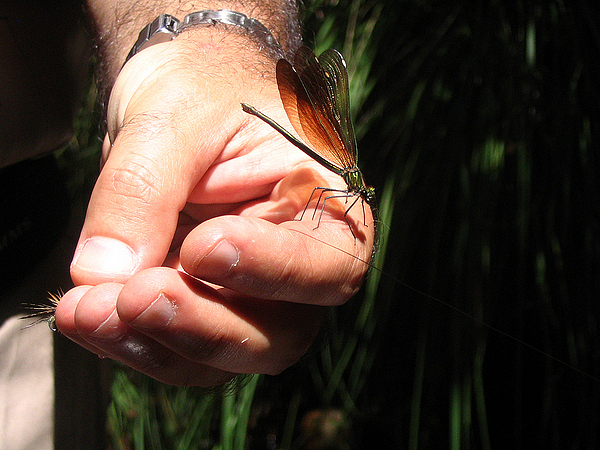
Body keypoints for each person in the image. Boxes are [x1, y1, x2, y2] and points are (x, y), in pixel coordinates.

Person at [1, 0, 375, 446]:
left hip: (23, 249)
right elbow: (317, 194)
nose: (362, 198)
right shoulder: (340, 179)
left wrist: (204, 45)